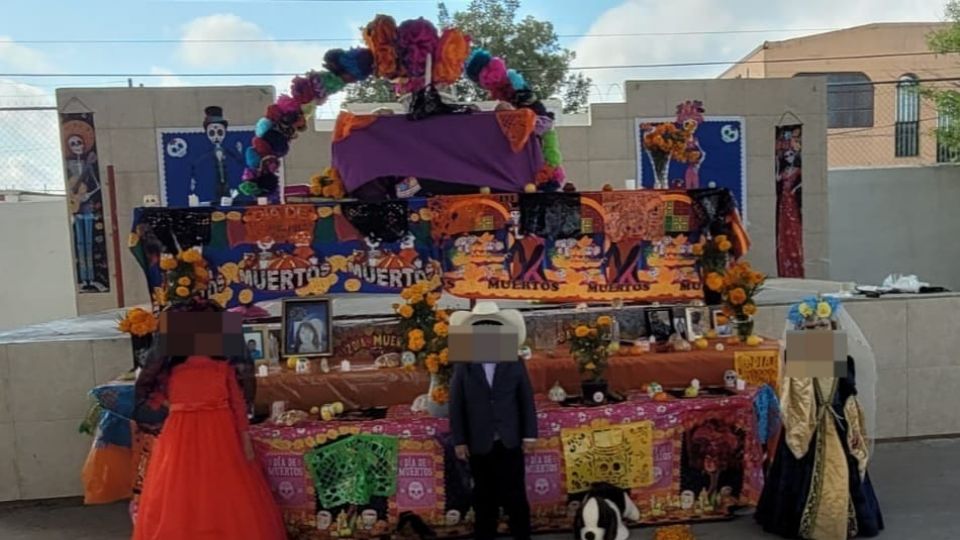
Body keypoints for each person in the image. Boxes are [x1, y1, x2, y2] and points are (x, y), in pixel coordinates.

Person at [132, 298, 285, 540]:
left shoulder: (219, 367)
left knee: (210, 491)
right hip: (190, 433)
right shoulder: (176, 370)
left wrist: (245, 438)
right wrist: (176, 406)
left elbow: (238, 402)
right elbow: (153, 391)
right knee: (185, 491)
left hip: (212, 431)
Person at [754, 354, 884, 539]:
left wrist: (853, 425)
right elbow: (796, 399)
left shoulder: (839, 359)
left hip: (834, 422)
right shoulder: (799, 358)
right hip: (808, 424)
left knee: (840, 468)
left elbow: (847, 393)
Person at [449, 302, 537, 540]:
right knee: (483, 496)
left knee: (515, 495)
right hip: (479, 441)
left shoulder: (515, 361)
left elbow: (525, 399)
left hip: (509, 439)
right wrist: (459, 440)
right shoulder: (463, 365)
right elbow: (456, 405)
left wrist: (529, 435)